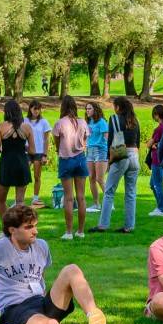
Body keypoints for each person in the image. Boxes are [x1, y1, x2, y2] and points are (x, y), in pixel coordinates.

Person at [98, 96, 141, 233]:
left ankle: (103, 225)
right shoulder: (135, 121)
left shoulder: (114, 119)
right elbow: (138, 141)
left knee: (109, 191)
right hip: (134, 155)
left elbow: (111, 141)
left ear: (118, 107)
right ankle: (129, 226)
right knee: (131, 193)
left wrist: (109, 160)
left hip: (120, 155)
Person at [52, 95, 90, 239]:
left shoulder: (60, 123)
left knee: (68, 198)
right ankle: (80, 231)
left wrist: (58, 149)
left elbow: (56, 140)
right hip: (81, 159)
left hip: (66, 159)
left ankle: (68, 232)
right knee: (81, 197)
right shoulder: (82, 122)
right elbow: (86, 138)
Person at [0, 98, 32, 222]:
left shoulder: (1, 126)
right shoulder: (26, 127)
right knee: (20, 200)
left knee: (1, 199)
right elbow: (32, 151)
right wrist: (22, 146)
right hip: (21, 163)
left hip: (7, 164)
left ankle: (6, 227)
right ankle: (21, 227)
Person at [146, 104, 163, 216]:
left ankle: (161, 209)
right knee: (153, 184)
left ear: (156, 115)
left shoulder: (159, 128)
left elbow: (149, 144)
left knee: (157, 184)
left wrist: (153, 144)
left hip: (157, 159)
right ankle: (159, 206)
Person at [25, 100, 49, 205]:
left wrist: (45, 155)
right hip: (26, 152)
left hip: (39, 152)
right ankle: (19, 199)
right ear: (30, 109)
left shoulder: (44, 122)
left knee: (37, 176)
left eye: (38, 109)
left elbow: (46, 140)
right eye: (35, 108)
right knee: (24, 175)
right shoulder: (24, 121)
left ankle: (35, 198)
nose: (37, 111)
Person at [86, 100, 110, 200]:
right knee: (91, 178)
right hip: (89, 151)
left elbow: (107, 138)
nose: (87, 111)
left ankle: (109, 203)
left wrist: (108, 154)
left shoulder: (102, 122)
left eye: (89, 108)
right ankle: (96, 203)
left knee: (99, 179)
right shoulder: (89, 122)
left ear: (95, 110)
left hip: (100, 151)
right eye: (86, 109)